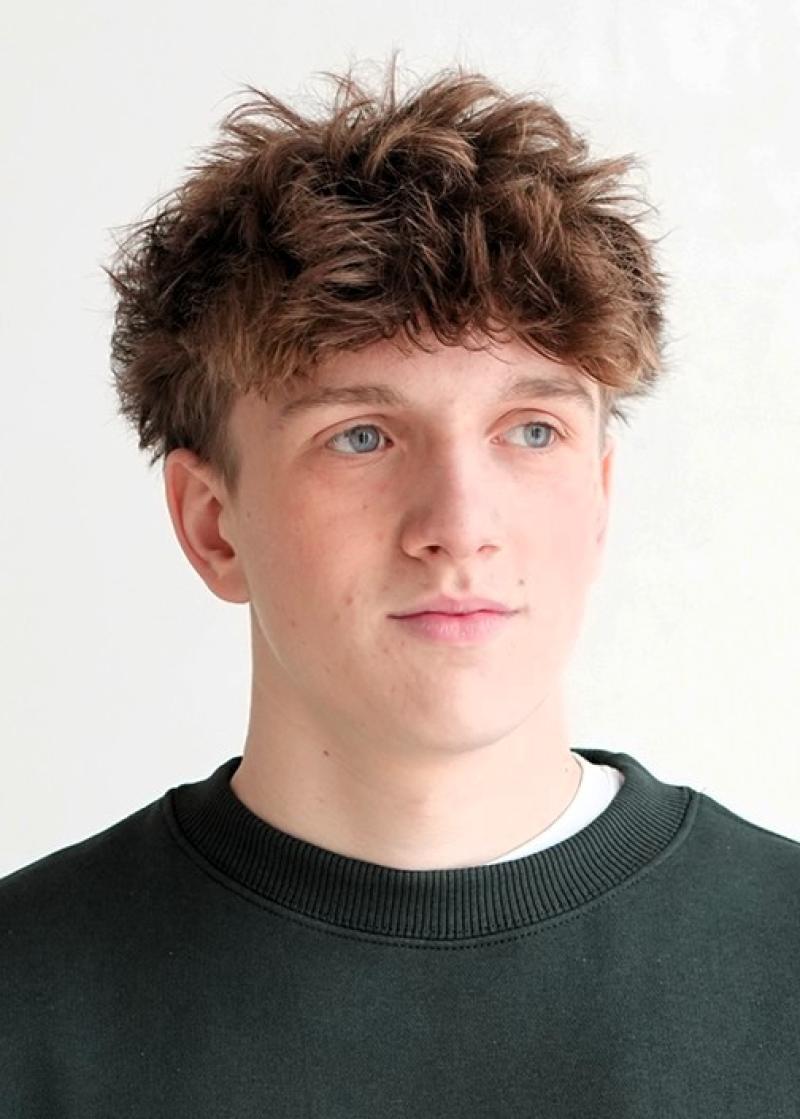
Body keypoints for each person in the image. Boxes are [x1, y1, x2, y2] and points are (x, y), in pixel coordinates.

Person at [2, 57, 798, 1117]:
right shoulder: (25, 1004)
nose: (459, 526)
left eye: (531, 431)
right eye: (362, 436)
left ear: (599, 496)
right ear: (211, 524)